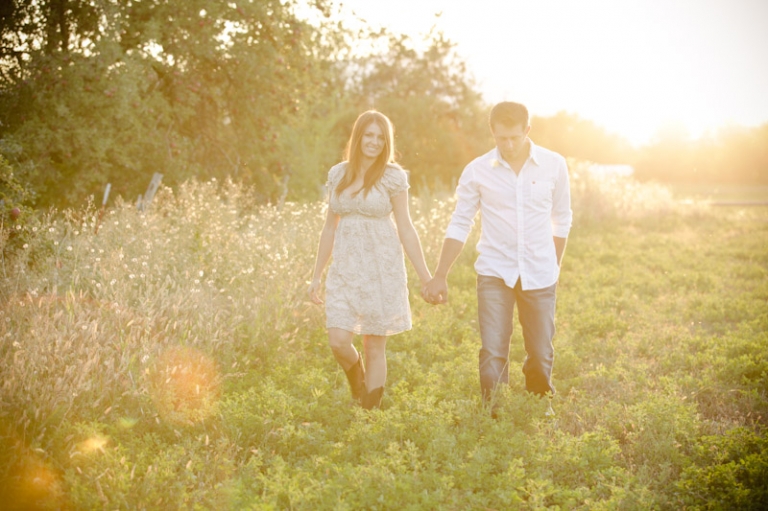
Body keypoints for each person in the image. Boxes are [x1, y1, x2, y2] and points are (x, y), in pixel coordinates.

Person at [423, 102, 572, 415]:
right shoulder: (477, 170)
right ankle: (495, 413)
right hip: (494, 271)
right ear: (492, 132)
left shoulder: (554, 164)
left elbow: (562, 217)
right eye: (502, 138)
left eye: (515, 137)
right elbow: (460, 222)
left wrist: (553, 263)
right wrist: (440, 274)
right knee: (492, 351)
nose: (509, 144)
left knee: (541, 351)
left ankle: (538, 407)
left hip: (540, 272)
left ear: (527, 130)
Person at [308, 110, 432, 410]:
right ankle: (358, 383)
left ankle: (369, 414)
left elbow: (406, 227)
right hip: (345, 270)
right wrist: (316, 275)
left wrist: (426, 277)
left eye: (381, 137)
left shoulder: (393, 177)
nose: (374, 142)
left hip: (381, 269)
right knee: (338, 340)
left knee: (374, 345)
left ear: (387, 142)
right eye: (369, 135)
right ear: (358, 137)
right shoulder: (338, 174)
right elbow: (329, 227)